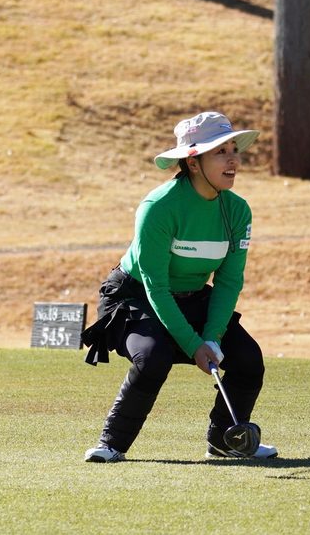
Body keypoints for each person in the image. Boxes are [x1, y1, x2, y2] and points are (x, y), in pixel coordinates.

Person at [80, 111, 277, 463]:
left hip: (192, 297)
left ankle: (225, 440)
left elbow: (229, 281)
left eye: (234, 148)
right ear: (193, 162)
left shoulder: (238, 211)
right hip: (135, 296)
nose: (233, 158)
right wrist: (192, 344)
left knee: (247, 358)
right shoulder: (158, 207)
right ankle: (111, 444)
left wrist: (212, 339)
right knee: (153, 356)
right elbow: (155, 286)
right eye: (220, 151)